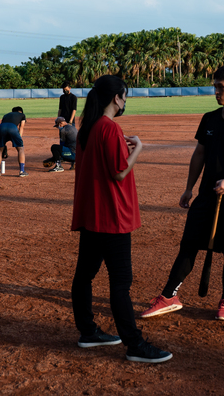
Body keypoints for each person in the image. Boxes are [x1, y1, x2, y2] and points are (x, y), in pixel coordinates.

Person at [139, 64, 224, 322]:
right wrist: (189, 188)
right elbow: (200, 154)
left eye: (221, 87)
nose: (215, 91)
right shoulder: (209, 119)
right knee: (189, 245)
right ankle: (169, 296)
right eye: (215, 86)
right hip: (206, 195)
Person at [70, 75, 172, 363]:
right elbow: (119, 172)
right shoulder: (110, 128)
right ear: (116, 98)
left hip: (92, 216)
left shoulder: (88, 129)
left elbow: (103, 166)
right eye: (124, 96)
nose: (125, 101)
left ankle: (88, 331)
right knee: (120, 282)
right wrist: (138, 147)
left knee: (85, 276)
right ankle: (135, 345)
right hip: (112, 217)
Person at [0, 106, 27, 177]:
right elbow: (21, 127)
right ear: (20, 111)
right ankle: (22, 171)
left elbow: (3, 124)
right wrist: (20, 139)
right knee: (20, 149)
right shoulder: (22, 115)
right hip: (13, 128)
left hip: (1, 127)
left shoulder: (6, 115)